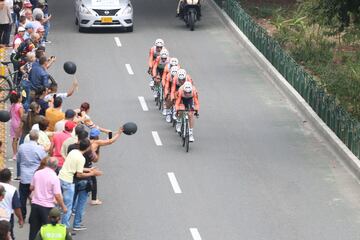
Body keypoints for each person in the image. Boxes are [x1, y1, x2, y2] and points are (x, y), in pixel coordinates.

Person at [58, 139, 102, 229]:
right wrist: (93, 173)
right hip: (68, 181)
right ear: (88, 147)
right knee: (68, 206)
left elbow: (77, 167)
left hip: (61, 177)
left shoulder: (73, 152)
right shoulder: (81, 158)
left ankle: (61, 223)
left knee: (63, 203)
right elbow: (79, 174)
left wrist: (89, 169)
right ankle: (64, 227)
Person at [29, 157, 67, 240]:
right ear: (56, 167)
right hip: (47, 207)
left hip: (35, 205)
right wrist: (63, 206)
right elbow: (57, 195)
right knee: (48, 231)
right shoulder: (54, 177)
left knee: (33, 231)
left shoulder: (37, 173)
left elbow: (31, 187)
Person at [17, 129, 47, 220]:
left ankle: (22, 214)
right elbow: (44, 160)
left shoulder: (22, 147)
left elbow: (18, 160)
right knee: (35, 197)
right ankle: (33, 216)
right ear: (37, 138)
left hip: (24, 175)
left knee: (23, 196)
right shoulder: (39, 148)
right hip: (35, 176)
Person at [88, 127, 123, 205]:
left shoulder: (86, 141)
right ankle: (94, 199)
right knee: (93, 181)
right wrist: (119, 133)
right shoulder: (97, 142)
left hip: (81, 162)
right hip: (87, 164)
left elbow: (109, 135)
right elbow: (110, 141)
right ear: (97, 136)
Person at [0, 169, 23, 240]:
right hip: (7, 218)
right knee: (8, 235)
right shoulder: (12, 189)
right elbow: (16, 208)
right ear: (10, 178)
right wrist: (20, 219)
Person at [9, 92, 24, 161]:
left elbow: (9, 115)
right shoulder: (19, 106)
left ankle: (15, 154)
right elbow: (22, 117)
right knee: (21, 139)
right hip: (18, 124)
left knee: (14, 139)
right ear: (18, 99)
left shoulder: (12, 105)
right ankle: (21, 154)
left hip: (12, 123)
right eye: (21, 97)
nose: (22, 98)